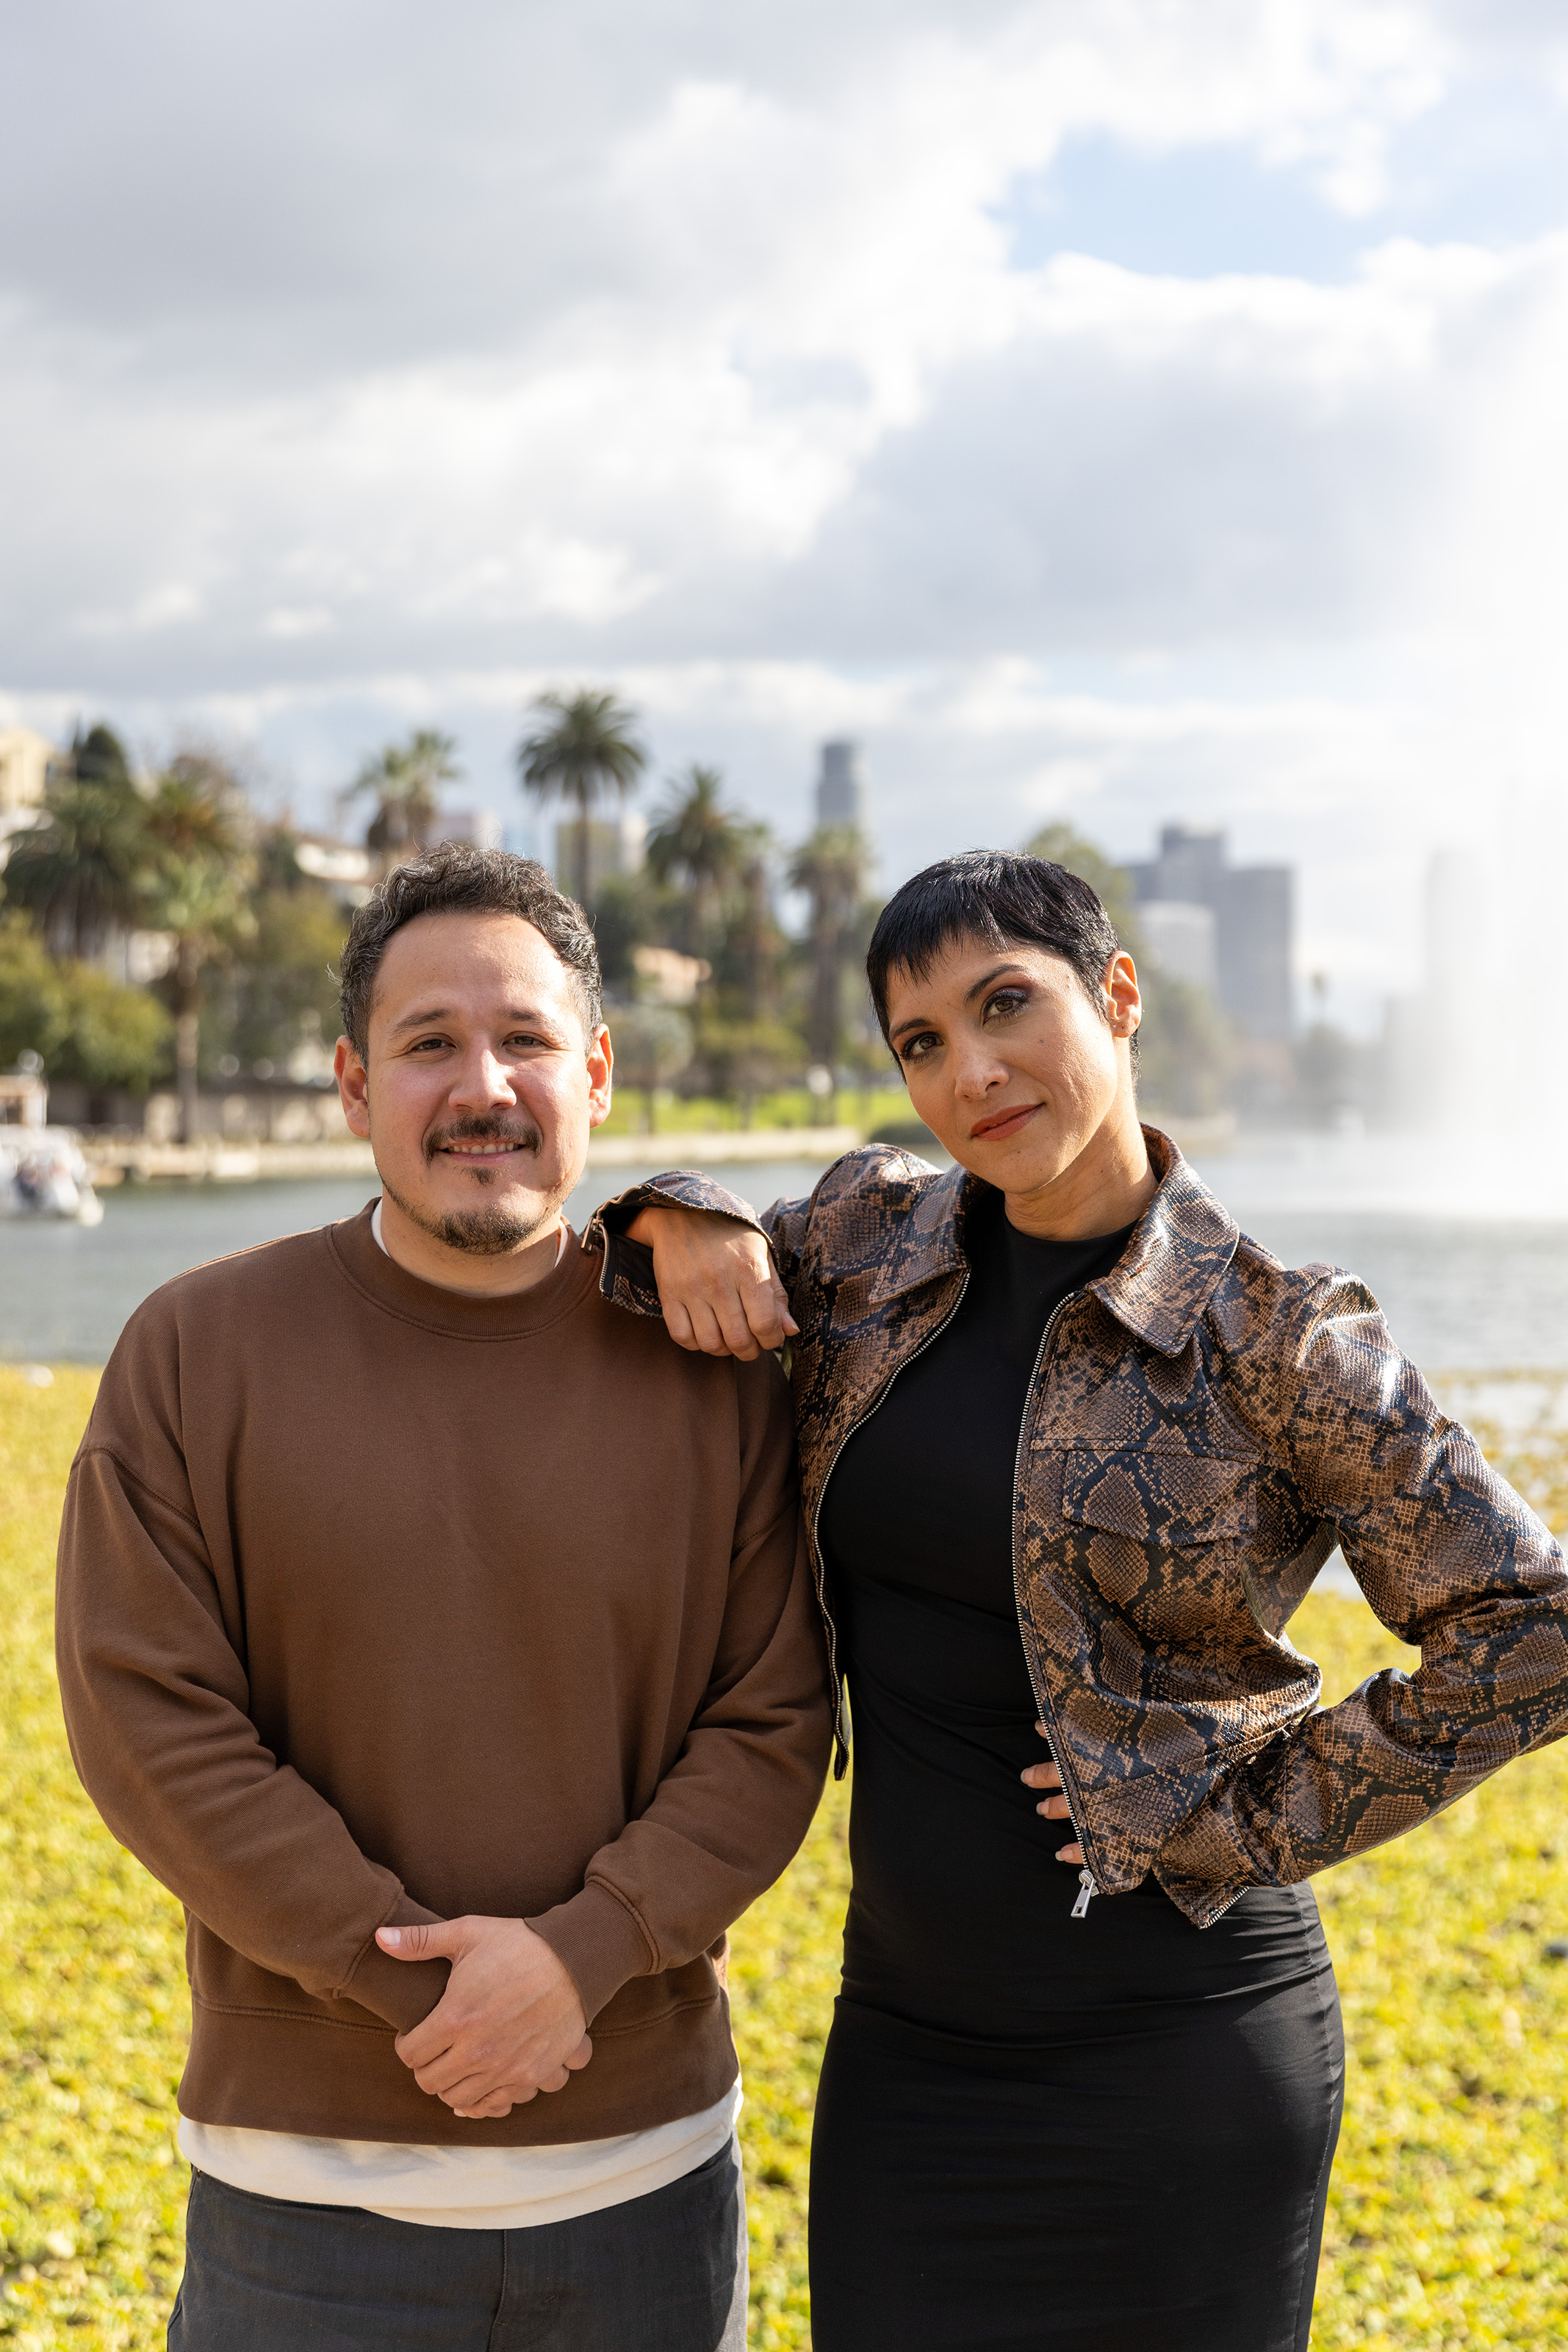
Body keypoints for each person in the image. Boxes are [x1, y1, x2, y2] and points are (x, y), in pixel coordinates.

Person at [594, 850, 1568, 2352]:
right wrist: (680, 1214)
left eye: (1004, 1004)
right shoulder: (867, 1243)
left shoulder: (1275, 1331)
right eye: (919, 1041)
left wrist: (1247, 1814)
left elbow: (1527, 1625)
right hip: (908, 2053)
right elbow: (655, 1265)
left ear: (1115, 997)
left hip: (1175, 2050)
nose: (968, 1071)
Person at [56, 845, 832, 2352]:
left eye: (524, 1039)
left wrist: (584, 1956)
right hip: (301, 2200)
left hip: (649, 2192)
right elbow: (149, 1722)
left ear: (595, 1072)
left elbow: (775, 1718)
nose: (482, 1083)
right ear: (353, 1084)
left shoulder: (714, 1370)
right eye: (429, 1043)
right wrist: (419, 1983)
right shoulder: (194, 1350)